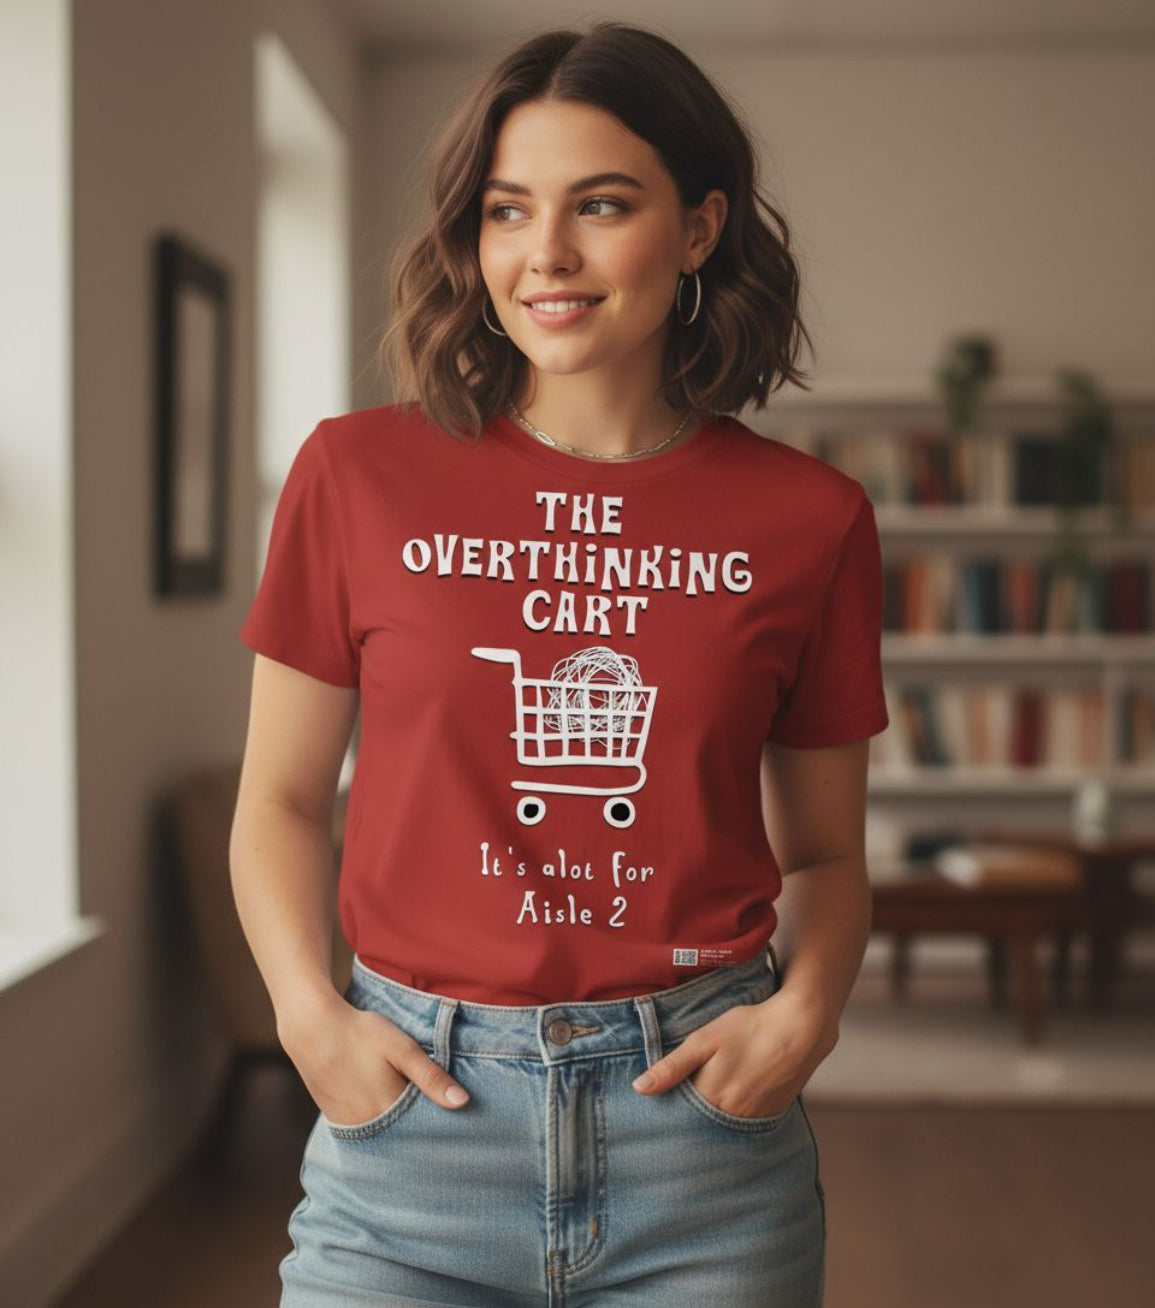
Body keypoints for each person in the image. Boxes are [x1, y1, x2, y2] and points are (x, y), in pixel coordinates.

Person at [231, 20, 888, 1308]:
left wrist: (805, 1016)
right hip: (412, 1129)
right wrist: (311, 1019)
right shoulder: (355, 475)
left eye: (602, 205)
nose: (548, 257)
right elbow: (282, 801)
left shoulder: (809, 520)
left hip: (701, 1144)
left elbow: (826, 854)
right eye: (507, 211)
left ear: (699, 229)